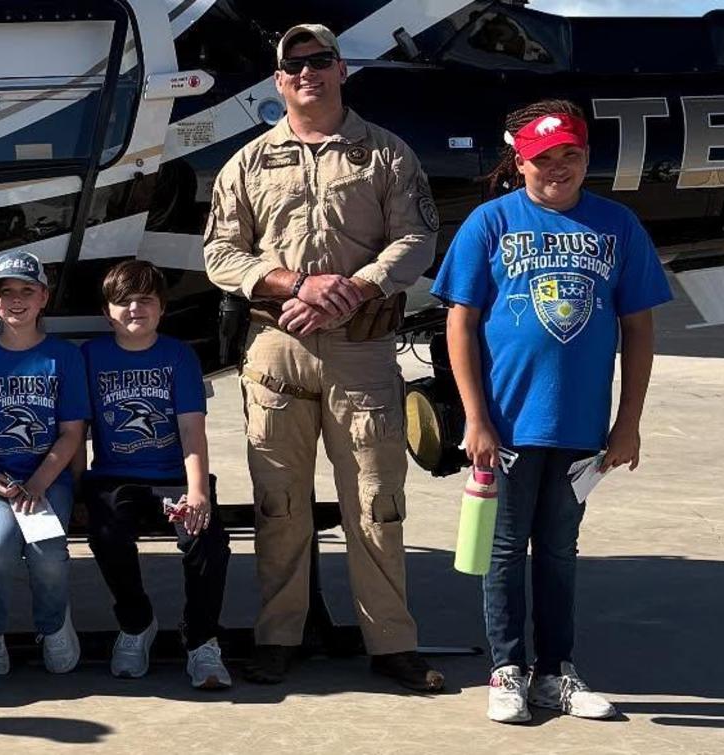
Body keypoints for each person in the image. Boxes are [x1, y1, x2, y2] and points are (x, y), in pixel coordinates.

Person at [201, 23, 444, 691]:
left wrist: (353, 289)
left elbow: (416, 238)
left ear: (341, 70)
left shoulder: (386, 155)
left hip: (360, 349)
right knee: (279, 504)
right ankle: (278, 636)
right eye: (295, 64)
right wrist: (295, 285)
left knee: (375, 501)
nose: (308, 71)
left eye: (321, 60)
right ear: (278, 80)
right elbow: (220, 253)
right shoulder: (247, 163)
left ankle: (391, 642)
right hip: (276, 350)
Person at [432, 100, 672, 723]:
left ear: (587, 158)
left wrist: (628, 423)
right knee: (505, 548)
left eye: (570, 155)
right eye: (543, 158)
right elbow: (460, 323)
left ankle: (555, 672)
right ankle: (507, 669)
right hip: (508, 424)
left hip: (580, 425)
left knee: (560, 549)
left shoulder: (617, 226)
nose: (557, 168)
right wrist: (475, 418)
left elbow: (638, 328)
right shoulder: (490, 223)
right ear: (520, 162)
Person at [78, 260, 232, 688]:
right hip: (115, 477)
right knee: (106, 534)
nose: (134, 309)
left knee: (207, 542)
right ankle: (136, 624)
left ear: (162, 308)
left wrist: (198, 492)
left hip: (175, 476)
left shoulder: (178, 355)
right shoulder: (90, 357)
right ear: (107, 311)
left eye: (145, 300)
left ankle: (201, 640)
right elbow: (75, 429)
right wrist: (76, 490)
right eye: (123, 301)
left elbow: (191, 430)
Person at [0, 251, 89, 677]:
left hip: (48, 479)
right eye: (6, 291)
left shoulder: (62, 358)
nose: (16, 300)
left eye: (27, 291)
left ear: (44, 297)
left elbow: (72, 432)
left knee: (47, 552)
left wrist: (39, 483)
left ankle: (53, 625)